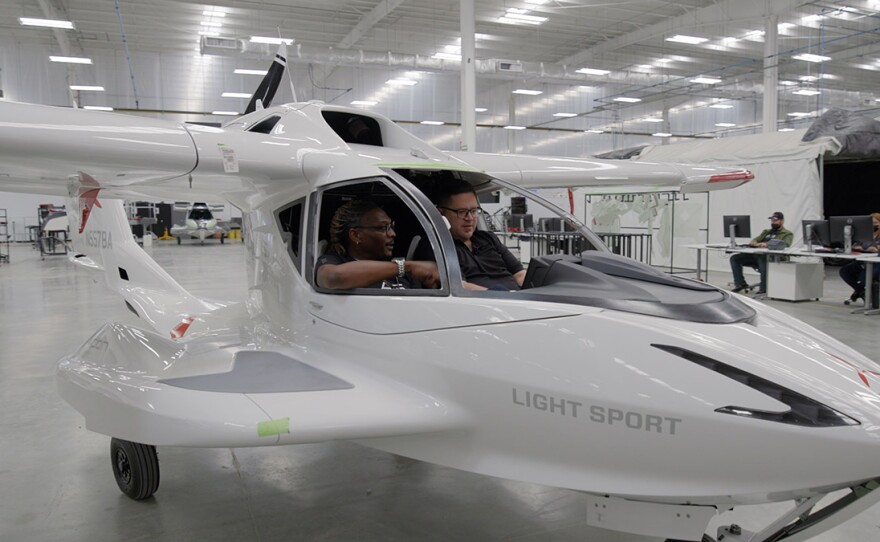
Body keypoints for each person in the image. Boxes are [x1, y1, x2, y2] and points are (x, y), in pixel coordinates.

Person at [315, 199, 439, 290]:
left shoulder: (404, 272)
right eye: (383, 228)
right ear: (356, 235)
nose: (392, 233)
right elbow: (332, 278)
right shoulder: (334, 261)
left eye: (391, 226)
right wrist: (405, 266)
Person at [432, 180, 526, 291]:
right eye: (461, 212)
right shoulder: (437, 246)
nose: (470, 218)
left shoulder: (489, 238)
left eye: (474, 210)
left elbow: (519, 274)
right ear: (441, 213)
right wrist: (498, 295)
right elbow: (459, 287)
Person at [730, 211, 793, 295]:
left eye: (775, 220)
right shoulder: (766, 231)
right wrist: (754, 242)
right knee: (735, 258)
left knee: (762, 258)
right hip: (757, 255)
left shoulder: (787, 234)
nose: (773, 222)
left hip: (773, 258)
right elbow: (756, 239)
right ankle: (740, 284)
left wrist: (766, 244)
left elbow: (786, 245)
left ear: (782, 221)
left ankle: (764, 288)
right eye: (772, 220)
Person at [839, 212, 880, 305]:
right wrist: (858, 247)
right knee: (845, 271)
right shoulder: (865, 234)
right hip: (863, 261)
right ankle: (862, 292)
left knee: (864, 277)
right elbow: (857, 244)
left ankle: (859, 292)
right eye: (871, 223)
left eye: (876, 223)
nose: (873, 225)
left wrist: (876, 249)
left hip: (877, 262)